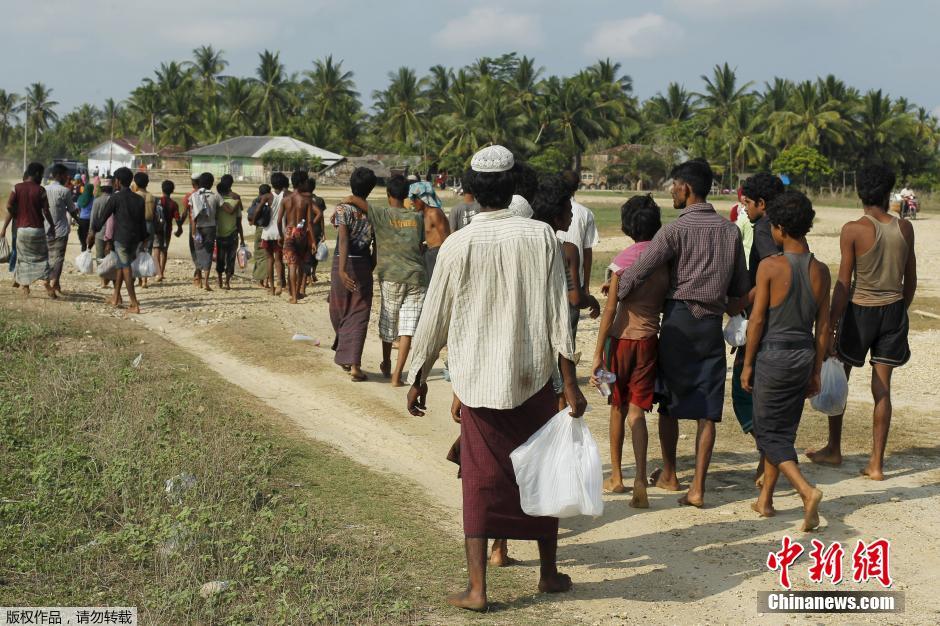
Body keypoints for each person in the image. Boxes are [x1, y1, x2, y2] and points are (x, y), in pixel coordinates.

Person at [406, 145, 585, 612]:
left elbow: (435, 315)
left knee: (481, 482)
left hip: (478, 381)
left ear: (472, 191)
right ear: (512, 186)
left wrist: (419, 373)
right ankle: (548, 573)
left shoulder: (457, 244)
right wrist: (569, 383)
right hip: (534, 378)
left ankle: (479, 589)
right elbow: (556, 317)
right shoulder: (541, 236)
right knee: (540, 473)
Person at [617, 159, 749, 507]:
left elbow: (640, 270)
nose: (672, 192)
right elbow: (739, 290)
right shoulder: (730, 231)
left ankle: (671, 473)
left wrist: (616, 289)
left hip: (677, 321)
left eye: (674, 186)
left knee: (669, 404)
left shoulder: (674, 231)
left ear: (686, 189)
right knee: (708, 409)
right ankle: (699, 488)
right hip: (710, 325)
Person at [806, 164, 917, 480]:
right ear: (887, 193)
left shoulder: (853, 229)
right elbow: (910, 279)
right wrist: (900, 311)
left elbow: (843, 283)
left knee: (839, 377)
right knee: (882, 389)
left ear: (860, 193)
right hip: (893, 310)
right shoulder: (904, 228)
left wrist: (829, 324)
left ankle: (834, 448)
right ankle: (876, 464)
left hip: (860, 312)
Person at [741, 191, 829, 531]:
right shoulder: (820, 270)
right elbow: (823, 328)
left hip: (773, 355)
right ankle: (766, 500)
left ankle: (806, 491)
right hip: (804, 353)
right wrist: (817, 369)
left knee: (766, 432)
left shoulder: (770, 266)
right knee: (784, 430)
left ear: (778, 228)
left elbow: (758, 321)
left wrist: (748, 364)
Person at [589, 195, 668, 507]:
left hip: (620, 341)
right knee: (638, 411)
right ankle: (640, 479)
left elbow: (610, 312)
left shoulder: (623, 261)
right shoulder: (664, 259)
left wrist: (597, 354)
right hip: (649, 341)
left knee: (616, 407)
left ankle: (618, 477)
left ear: (626, 225)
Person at [729, 173, 785, 485]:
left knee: (744, 391)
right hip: (783, 323)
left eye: (748, 203)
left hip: (762, 322)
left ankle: (768, 457)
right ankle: (767, 458)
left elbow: (769, 275)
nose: (744, 209)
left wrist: (740, 304)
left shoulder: (763, 230)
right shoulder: (780, 227)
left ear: (761, 204)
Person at [531, 175, 600, 408]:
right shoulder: (568, 250)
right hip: (553, 332)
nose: (572, 216)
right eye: (569, 211)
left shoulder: (522, 244)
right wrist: (591, 299)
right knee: (558, 390)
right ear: (557, 216)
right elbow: (574, 298)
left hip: (526, 334)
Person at [367, 175, 427, 385]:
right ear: (406, 195)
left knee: (389, 321)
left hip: (391, 275)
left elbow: (357, 201)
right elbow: (420, 244)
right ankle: (396, 376)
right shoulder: (417, 218)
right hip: (417, 276)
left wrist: (347, 198)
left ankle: (386, 362)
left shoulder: (382, 213)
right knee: (408, 328)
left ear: (388, 194)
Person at [330, 167, 377, 381]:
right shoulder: (373, 212)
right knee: (359, 313)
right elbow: (377, 243)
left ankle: (346, 352)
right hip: (363, 264)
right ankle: (354, 363)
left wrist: (340, 269)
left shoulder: (343, 209)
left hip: (343, 262)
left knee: (339, 309)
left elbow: (342, 239)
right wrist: (372, 263)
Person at [87, 167, 147, 313]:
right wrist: (144, 239)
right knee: (121, 265)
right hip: (135, 239)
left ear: (118, 182)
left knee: (125, 267)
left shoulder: (116, 198)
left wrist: (93, 232)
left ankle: (134, 304)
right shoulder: (139, 199)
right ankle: (116, 297)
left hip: (122, 239)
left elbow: (103, 218)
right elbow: (142, 222)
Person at [1, 163, 55, 297]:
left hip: (22, 230)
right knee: (42, 258)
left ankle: (25, 287)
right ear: (36, 174)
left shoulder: (16, 188)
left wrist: (16, 215)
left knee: (23, 258)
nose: (42, 177)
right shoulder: (41, 190)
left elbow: (9, 205)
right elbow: (46, 211)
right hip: (37, 230)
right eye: (41, 174)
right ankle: (47, 285)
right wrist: (52, 225)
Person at [557, 170, 600, 338]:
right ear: (577, 187)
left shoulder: (548, 208)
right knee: (569, 336)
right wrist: (586, 286)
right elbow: (587, 251)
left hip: (553, 282)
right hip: (575, 282)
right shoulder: (585, 213)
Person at [280, 172, 318, 303]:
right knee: (301, 263)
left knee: (291, 265)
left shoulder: (285, 199)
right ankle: (298, 291)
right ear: (301, 183)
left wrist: (281, 235)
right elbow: (309, 223)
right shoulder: (306, 200)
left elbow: (280, 220)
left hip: (289, 232)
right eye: (306, 182)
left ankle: (294, 297)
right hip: (301, 233)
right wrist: (313, 240)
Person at [409, 180, 450, 281]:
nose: (412, 203)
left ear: (421, 199)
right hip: (430, 253)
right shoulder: (424, 215)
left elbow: (446, 239)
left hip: (438, 254)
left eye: (414, 200)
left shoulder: (434, 213)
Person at [44, 163, 76, 295]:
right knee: (59, 258)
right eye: (65, 175)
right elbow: (72, 210)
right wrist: (79, 221)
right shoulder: (65, 191)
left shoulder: (43, 189)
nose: (66, 177)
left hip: (46, 228)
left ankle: (55, 283)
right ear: (59, 175)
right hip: (61, 230)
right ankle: (51, 282)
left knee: (48, 256)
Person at [189, 172, 221, 291]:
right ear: (212, 183)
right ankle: (206, 282)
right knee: (208, 253)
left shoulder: (194, 196)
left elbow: (193, 216)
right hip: (211, 228)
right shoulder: (215, 196)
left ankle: (199, 278)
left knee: (198, 252)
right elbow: (219, 212)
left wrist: (193, 231)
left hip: (198, 227)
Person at [260, 173, 288, 296]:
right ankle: (280, 284)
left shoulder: (267, 196)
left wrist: (254, 220)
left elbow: (257, 210)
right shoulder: (287, 195)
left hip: (267, 232)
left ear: (272, 183)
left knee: (269, 260)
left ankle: (271, 288)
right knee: (278, 260)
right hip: (280, 232)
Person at [215, 174, 245, 291]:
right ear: (231, 185)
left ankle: (220, 280)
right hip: (232, 235)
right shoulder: (236, 199)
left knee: (220, 259)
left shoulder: (216, 199)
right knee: (230, 259)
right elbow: (239, 221)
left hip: (219, 234)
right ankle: (227, 282)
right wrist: (242, 238)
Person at [132, 172, 156, 288]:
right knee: (147, 252)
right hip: (150, 225)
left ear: (136, 183)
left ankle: (139, 278)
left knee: (137, 251)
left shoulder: (135, 195)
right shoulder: (152, 196)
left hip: (138, 225)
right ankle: (145, 279)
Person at [90, 178, 115, 288]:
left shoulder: (97, 200)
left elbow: (93, 218)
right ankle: (109, 278)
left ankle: (102, 280)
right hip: (113, 233)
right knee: (110, 257)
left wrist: (91, 232)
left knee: (100, 256)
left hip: (99, 233)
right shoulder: (115, 199)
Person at [152, 180, 179, 282]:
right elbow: (177, 218)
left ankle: (158, 273)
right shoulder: (174, 204)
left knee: (156, 250)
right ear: (172, 190)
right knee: (164, 251)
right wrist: (180, 228)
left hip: (157, 229)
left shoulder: (157, 201)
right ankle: (161, 273)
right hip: (167, 230)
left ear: (162, 189)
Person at [247, 183, 272, 288]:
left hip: (259, 229)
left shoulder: (256, 200)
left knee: (259, 254)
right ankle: (264, 280)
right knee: (267, 255)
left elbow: (250, 215)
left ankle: (260, 278)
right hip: (269, 230)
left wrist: (253, 221)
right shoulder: (271, 200)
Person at [180, 177, 201, 286]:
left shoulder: (189, 196)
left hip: (193, 226)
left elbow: (184, 213)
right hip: (207, 226)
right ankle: (200, 271)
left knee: (194, 249)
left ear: (193, 184)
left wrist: (179, 226)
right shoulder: (208, 195)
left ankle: (198, 273)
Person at [76, 179, 95, 252]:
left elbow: (77, 208)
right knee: (92, 235)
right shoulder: (94, 199)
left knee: (82, 235)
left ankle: (83, 247)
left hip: (82, 219)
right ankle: (89, 248)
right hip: (91, 220)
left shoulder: (80, 198)